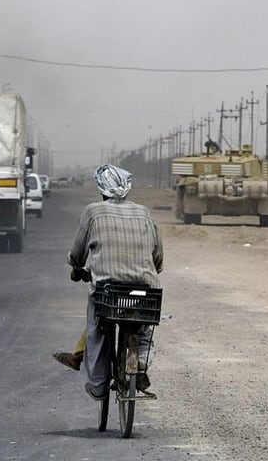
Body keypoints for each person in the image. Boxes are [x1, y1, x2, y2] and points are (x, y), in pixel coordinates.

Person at [54, 164, 164, 401]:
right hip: (144, 287)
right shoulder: (144, 212)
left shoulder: (93, 211)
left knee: (97, 329)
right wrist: (155, 268)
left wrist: (75, 267)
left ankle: (97, 384)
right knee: (144, 330)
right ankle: (141, 362)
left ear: (102, 189)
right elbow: (158, 254)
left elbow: (77, 251)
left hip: (108, 287)